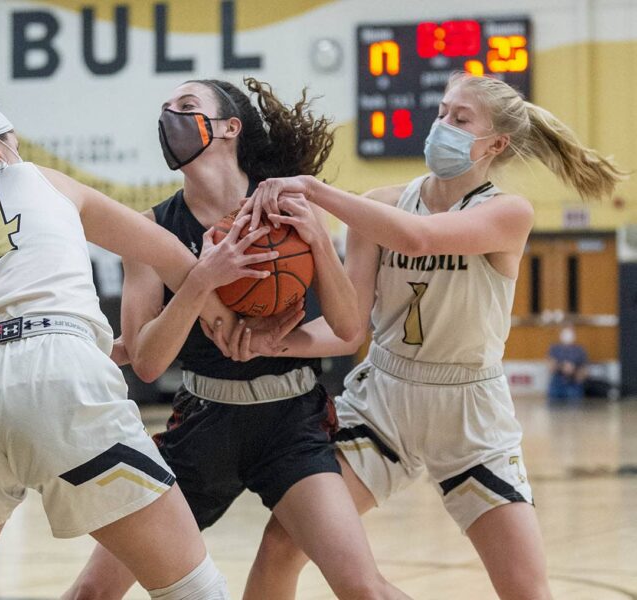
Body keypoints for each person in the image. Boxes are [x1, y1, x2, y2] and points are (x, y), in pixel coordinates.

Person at [0, 65, 302, 600]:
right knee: (194, 589)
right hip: (55, 376)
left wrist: (99, 346)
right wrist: (230, 326)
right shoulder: (42, 179)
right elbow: (170, 255)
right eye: (12, 139)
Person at [220, 72, 627, 599]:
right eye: (441, 112)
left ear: (496, 144)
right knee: (282, 543)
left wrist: (316, 192)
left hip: (469, 409)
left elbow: (417, 238)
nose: (442, 125)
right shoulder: (382, 203)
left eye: (461, 119)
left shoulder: (507, 212)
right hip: (384, 400)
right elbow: (348, 329)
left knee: (526, 591)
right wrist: (274, 341)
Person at [64, 78, 409, 599]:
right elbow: (148, 361)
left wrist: (316, 238)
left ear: (229, 128)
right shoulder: (151, 228)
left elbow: (347, 328)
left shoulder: (289, 205)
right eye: (165, 109)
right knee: (93, 591)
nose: (170, 118)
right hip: (201, 424)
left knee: (362, 587)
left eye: (186, 106)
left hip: (289, 423)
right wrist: (202, 279)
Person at [547, 325, 588, 405]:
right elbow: (550, 367)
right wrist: (562, 366)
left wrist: (575, 372)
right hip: (557, 384)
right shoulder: (554, 348)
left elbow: (584, 370)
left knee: (574, 405)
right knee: (554, 406)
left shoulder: (580, 350)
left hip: (573, 384)